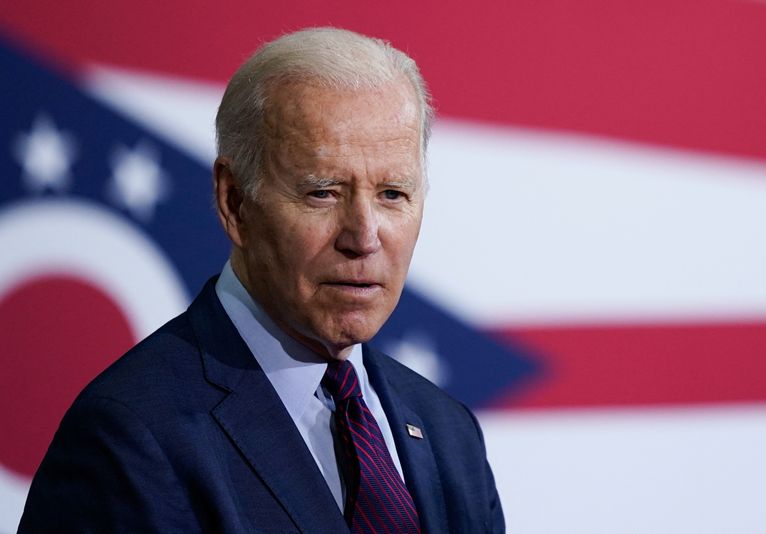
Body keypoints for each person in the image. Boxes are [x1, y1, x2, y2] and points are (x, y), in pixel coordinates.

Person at [19, 27, 504, 533]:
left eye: (393, 194)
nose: (364, 236)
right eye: (323, 192)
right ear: (235, 201)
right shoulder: (131, 437)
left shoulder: (449, 432)